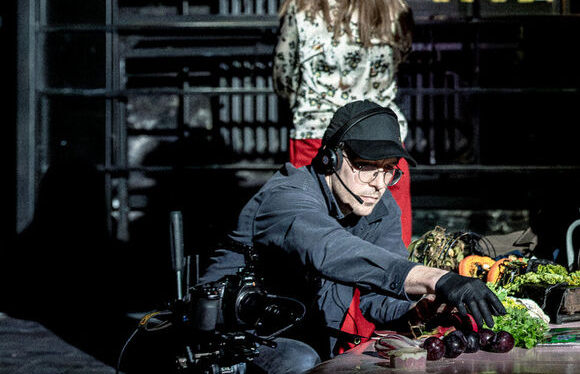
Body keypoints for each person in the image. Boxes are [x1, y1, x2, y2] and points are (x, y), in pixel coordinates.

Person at [200, 100, 505, 373]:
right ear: (329, 159)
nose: (379, 183)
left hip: (311, 337)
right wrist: (437, 278)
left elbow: (377, 299)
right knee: (301, 360)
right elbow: (330, 249)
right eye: (366, 167)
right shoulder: (286, 197)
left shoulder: (381, 207)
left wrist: (420, 308)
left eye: (388, 169)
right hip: (238, 336)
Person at [273, 0, 416, 246]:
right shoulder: (395, 7)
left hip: (317, 138)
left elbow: (284, 75)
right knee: (388, 254)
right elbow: (398, 64)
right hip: (383, 144)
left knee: (316, 247)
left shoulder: (304, 0)